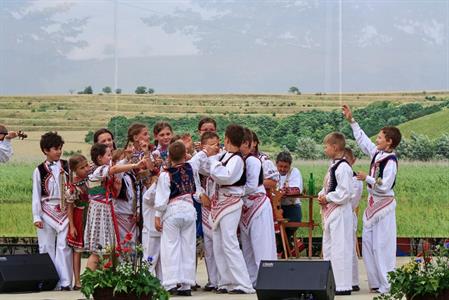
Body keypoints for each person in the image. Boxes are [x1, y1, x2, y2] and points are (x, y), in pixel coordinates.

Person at [343, 104, 402, 294]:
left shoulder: (390, 161)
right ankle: (376, 282)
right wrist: (352, 121)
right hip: (372, 205)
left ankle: (388, 283)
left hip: (383, 205)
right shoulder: (377, 153)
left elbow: (385, 184)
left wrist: (366, 178)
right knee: (368, 244)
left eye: (379, 137)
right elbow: (363, 141)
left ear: (389, 142)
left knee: (382, 245)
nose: (376, 140)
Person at [204, 124, 255, 294]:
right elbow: (209, 169)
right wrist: (208, 156)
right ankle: (226, 281)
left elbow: (225, 176)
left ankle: (243, 283)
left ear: (227, 139)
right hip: (219, 203)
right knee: (219, 243)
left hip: (231, 203)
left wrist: (212, 160)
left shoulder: (237, 159)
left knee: (230, 242)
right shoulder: (225, 156)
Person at [84, 143, 145, 271]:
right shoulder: (99, 170)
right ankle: (89, 281)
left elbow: (117, 167)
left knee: (106, 250)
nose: (110, 157)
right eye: (108, 155)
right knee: (97, 251)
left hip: (105, 210)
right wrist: (134, 165)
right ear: (100, 158)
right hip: (100, 211)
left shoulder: (101, 169)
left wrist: (128, 158)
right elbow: (115, 169)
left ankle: (103, 283)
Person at [154, 141, 203, 296]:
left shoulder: (165, 174)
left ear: (169, 156)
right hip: (189, 210)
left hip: (173, 211)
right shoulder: (191, 168)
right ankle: (186, 284)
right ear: (184, 155)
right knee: (188, 247)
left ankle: (170, 283)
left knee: (170, 246)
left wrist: (157, 216)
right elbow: (198, 159)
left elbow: (162, 199)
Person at [32, 132, 73, 290]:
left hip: (65, 210)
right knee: (46, 246)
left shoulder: (67, 166)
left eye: (60, 148)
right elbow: (36, 194)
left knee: (64, 246)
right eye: (55, 149)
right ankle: (49, 281)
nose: (59, 151)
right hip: (46, 210)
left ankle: (65, 282)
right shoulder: (39, 170)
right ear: (45, 150)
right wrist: (37, 216)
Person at [318, 132, 354, 295]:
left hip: (339, 210)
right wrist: (322, 194)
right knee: (330, 247)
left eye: (326, 146)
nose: (325, 149)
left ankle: (342, 284)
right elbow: (328, 185)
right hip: (331, 211)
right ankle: (331, 282)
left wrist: (328, 197)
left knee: (341, 247)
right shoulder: (333, 166)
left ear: (335, 147)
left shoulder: (344, 167)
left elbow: (345, 192)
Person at [239, 128, 277, 286]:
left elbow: (252, 185)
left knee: (262, 244)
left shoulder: (256, 160)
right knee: (247, 247)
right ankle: (251, 280)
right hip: (245, 205)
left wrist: (234, 191)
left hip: (257, 204)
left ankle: (267, 280)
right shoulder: (240, 160)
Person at [66, 154, 91, 290]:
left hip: (91, 214)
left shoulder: (91, 179)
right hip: (79, 216)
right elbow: (70, 207)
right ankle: (77, 280)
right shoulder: (72, 186)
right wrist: (72, 226)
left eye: (87, 165)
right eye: (82, 167)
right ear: (75, 170)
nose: (86, 169)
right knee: (78, 250)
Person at [344, 147, 364, 292]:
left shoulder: (356, 179)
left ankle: (352, 280)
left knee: (349, 248)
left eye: (346, 160)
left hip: (347, 214)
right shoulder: (334, 175)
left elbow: (351, 201)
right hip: (335, 214)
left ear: (353, 161)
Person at [275, 151, 303, 245]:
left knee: (286, 231)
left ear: (290, 165)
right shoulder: (274, 173)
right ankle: (284, 248)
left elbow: (296, 190)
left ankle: (284, 248)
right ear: (276, 164)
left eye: (285, 167)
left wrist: (282, 192)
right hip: (277, 209)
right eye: (280, 166)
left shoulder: (294, 172)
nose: (282, 169)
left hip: (292, 209)